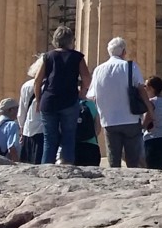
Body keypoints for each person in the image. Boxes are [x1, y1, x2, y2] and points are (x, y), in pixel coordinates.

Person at [29, 27, 88, 165]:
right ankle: (67, 166)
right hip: (69, 100)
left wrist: (38, 100)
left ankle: (46, 169)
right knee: (68, 137)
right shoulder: (77, 57)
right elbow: (87, 78)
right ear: (71, 40)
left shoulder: (47, 56)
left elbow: (37, 81)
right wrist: (82, 93)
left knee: (49, 139)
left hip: (48, 100)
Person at [86, 38, 148, 169]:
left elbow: (91, 96)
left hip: (109, 121)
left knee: (113, 160)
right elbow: (141, 89)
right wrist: (150, 110)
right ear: (124, 52)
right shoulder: (131, 66)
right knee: (133, 160)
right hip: (131, 118)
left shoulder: (98, 70)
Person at [18, 58, 46, 165]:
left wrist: (21, 128)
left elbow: (22, 110)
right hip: (43, 128)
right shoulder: (50, 85)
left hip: (27, 129)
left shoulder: (26, 85)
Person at [74, 98, 103, 167]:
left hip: (74, 146)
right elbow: (98, 127)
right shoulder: (91, 104)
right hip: (91, 145)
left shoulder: (68, 104)